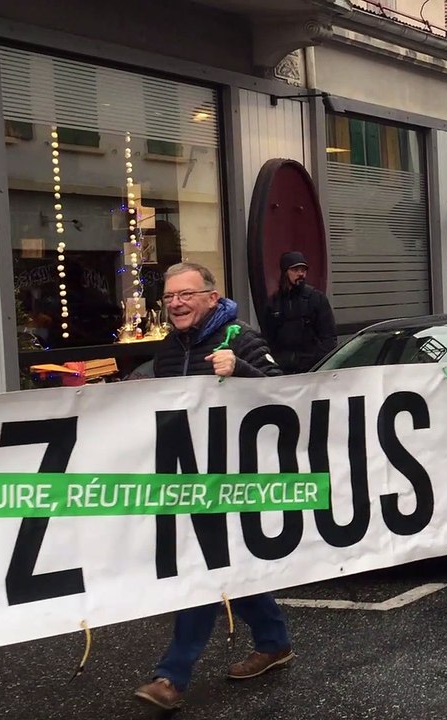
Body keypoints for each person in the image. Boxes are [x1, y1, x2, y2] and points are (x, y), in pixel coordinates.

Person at [136, 262, 292, 711]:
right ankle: (274, 640)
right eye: (168, 298)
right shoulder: (166, 350)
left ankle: (171, 676)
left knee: (202, 570)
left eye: (185, 295)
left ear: (211, 296)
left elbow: (287, 395)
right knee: (225, 564)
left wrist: (240, 368)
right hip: (188, 480)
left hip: (234, 477)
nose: (176, 304)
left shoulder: (239, 338)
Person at [259, 251, 337, 373]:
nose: (301, 274)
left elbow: (329, 338)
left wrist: (317, 363)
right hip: (283, 371)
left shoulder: (316, 299)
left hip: (312, 370)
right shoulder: (273, 303)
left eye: (303, 270)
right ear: (285, 272)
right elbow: (267, 339)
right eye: (295, 270)